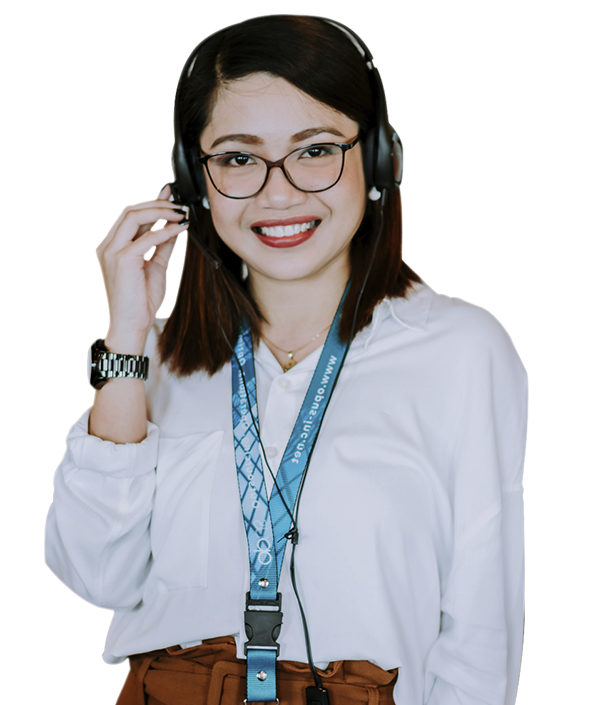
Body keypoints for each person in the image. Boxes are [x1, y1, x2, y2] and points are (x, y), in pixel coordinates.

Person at [44, 15, 528, 705]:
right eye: (238, 158)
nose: (279, 192)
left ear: (379, 164)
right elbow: (97, 575)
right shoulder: (159, 358)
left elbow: (481, 630)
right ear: (195, 181)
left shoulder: (460, 352)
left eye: (316, 150)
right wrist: (126, 335)